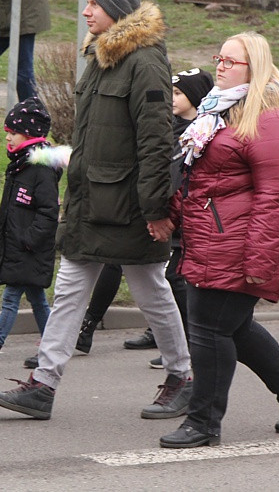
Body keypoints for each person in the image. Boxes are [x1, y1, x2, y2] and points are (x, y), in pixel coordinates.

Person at [0, 0, 192, 421]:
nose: (85, 11)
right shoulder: (101, 57)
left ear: (117, 8)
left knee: (151, 290)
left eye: (94, 3)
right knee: (70, 290)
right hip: (91, 202)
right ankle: (43, 384)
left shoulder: (146, 62)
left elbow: (156, 141)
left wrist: (155, 207)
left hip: (131, 207)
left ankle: (183, 376)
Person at [160, 32, 279, 448]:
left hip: (238, 245)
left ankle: (203, 422)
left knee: (208, 329)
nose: (219, 66)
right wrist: (171, 214)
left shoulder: (270, 120)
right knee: (233, 328)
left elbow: (276, 200)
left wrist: (259, 262)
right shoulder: (217, 113)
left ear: (253, 69)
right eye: (218, 58)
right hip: (210, 239)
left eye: (230, 61)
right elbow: (198, 179)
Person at [72, 68, 214, 365]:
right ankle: (92, 328)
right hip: (150, 208)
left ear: (196, 96)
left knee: (171, 278)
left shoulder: (203, 131)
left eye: (178, 93)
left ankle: (185, 344)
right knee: (117, 261)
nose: (171, 98)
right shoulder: (166, 126)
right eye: (170, 92)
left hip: (181, 216)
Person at [0, 96, 68, 372]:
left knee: (11, 299)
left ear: (29, 134)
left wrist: (27, 240)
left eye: (13, 133)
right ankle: (52, 347)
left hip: (29, 247)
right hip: (19, 246)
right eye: (7, 132)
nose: (8, 138)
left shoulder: (39, 169)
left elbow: (47, 212)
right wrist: (2, 236)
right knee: (37, 299)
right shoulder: (20, 164)